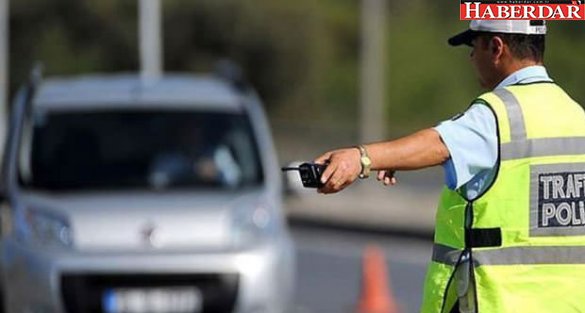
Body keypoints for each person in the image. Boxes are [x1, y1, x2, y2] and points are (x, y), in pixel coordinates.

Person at [315, 20, 585, 313]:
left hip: (500, 303)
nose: (471, 58)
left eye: (474, 46)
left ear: (496, 47)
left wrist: (361, 157)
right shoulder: (574, 114)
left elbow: (439, 144)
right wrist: (396, 159)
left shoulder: (497, 114)